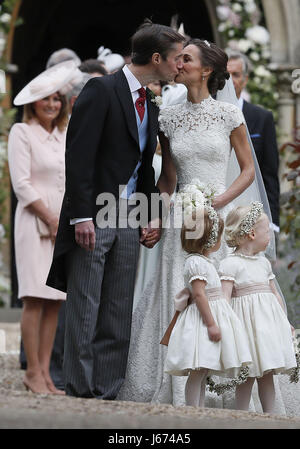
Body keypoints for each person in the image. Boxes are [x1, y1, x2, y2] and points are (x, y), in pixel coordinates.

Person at [46, 19, 185, 399]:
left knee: (118, 306)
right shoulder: (101, 89)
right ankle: (79, 388)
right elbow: (79, 156)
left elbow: (142, 167)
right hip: (96, 213)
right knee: (86, 303)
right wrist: (81, 216)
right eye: (176, 58)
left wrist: (151, 215)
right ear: (156, 58)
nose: (180, 65)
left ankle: (108, 390)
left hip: (129, 214)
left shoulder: (152, 101)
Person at [117, 38, 255, 406]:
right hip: (181, 217)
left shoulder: (228, 115)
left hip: (218, 215)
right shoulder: (169, 117)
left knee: (217, 291)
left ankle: (218, 384)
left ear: (206, 70)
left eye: (187, 59)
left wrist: (220, 201)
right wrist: (158, 219)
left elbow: (247, 170)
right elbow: (167, 181)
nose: (179, 64)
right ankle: (174, 379)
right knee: (176, 288)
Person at [8, 61, 77, 394]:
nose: (52, 104)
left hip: (60, 222)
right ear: (34, 102)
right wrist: (50, 219)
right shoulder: (22, 132)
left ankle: (48, 373)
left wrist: (63, 221)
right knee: (35, 298)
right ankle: (32, 371)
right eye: (46, 99)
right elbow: (21, 185)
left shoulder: (64, 134)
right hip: (35, 221)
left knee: (55, 299)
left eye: (57, 99)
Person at [163, 202, 252, 408]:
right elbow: (200, 295)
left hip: (210, 315)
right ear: (209, 239)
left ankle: (199, 406)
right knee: (197, 370)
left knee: (202, 370)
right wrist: (211, 323)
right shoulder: (196, 263)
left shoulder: (204, 262)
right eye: (218, 236)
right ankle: (193, 408)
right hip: (201, 321)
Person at [219, 202, 297, 413]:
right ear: (252, 234)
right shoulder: (230, 264)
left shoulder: (263, 264)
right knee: (247, 375)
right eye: (267, 232)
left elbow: (274, 294)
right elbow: (224, 299)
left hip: (267, 329)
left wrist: (285, 322)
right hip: (245, 329)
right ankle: (242, 415)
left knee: (267, 373)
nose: (270, 236)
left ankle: (270, 415)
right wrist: (225, 326)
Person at [227, 51, 280, 232]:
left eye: (236, 74)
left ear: (245, 79)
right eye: (226, 74)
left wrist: (272, 220)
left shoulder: (262, 117)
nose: (230, 80)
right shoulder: (206, 114)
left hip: (251, 211)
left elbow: (270, 172)